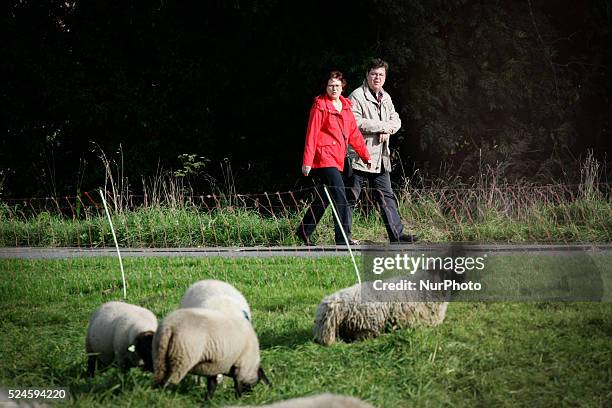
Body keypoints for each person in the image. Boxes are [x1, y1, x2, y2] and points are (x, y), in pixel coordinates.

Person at [297, 71, 372, 246]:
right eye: (331, 85)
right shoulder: (320, 105)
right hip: (324, 158)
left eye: (337, 85)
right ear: (326, 86)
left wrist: (365, 156)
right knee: (340, 196)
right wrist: (307, 161)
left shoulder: (346, 106)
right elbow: (312, 134)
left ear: (342, 86)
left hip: (339, 158)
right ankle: (342, 238)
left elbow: (354, 134)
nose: (334, 88)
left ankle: (304, 230)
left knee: (325, 197)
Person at [347, 59, 418, 243]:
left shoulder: (385, 97)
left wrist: (389, 129)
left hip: (380, 158)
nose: (377, 78)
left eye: (381, 75)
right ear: (367, 75)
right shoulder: (356, 96)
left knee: (387, 196)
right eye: (374, 74)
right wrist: (382, 127)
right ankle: (343, 237)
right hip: (360, 156)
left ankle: (397, 235)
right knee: (351, 198)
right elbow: (355, 122)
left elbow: (396, 119)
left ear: (385, 77)